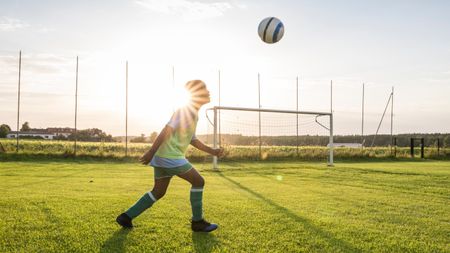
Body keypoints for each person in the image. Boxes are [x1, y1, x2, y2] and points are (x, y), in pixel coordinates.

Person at [116, 80, 223, 232]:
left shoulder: (193, 113)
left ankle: (126, 217)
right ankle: (198, 222)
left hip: (163, 157)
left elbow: (192, 139)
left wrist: (212, 151)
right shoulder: (186, 110)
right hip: (170, 157)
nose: (209, 92)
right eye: (205, 89)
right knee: (199, 181)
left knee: (158, 192)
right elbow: (167, 130)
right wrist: (151, 151)